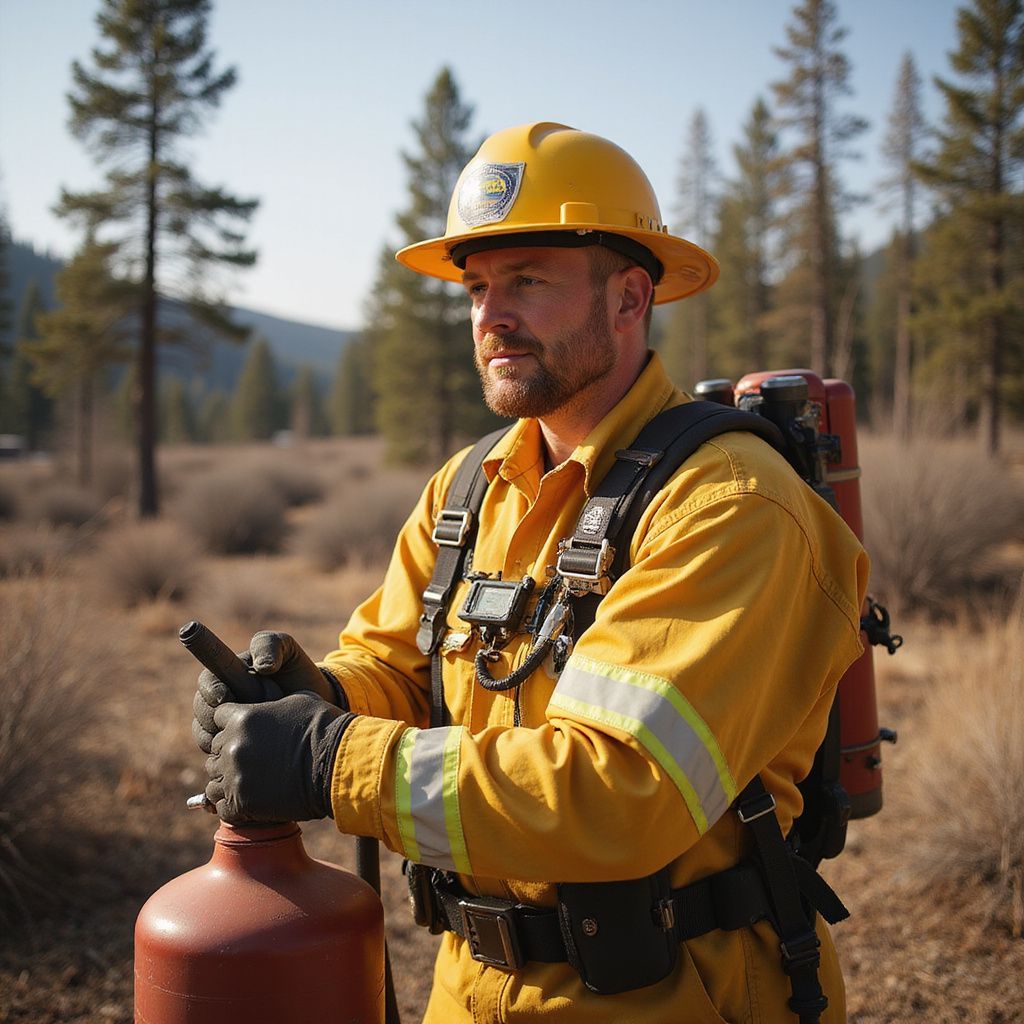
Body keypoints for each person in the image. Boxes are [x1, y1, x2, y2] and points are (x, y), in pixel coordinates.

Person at [194, 122, 868, 1023]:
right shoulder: (469, 489)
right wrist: (311, 695)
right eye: (476, 288)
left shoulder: (731, 505)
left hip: (672, 995)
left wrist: (328, 760)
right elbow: (401, 667)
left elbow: (619, 792)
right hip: (467, 991)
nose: (489, 316)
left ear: (631, 299)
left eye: (527, 282)